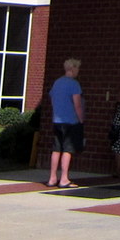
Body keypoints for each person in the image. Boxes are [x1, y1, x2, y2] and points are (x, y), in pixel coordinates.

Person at [47, 58, 84, 188]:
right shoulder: (74, 84)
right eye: (77, 68)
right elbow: (77, 105)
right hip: (70, 121)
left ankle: (52, 178)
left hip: (57, 120)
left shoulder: (57, 83)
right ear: (72, 68)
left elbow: (52, 99)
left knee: (56, 149)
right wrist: (81, 119)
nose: (78, 71)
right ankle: (64, 179)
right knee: (68, 149)